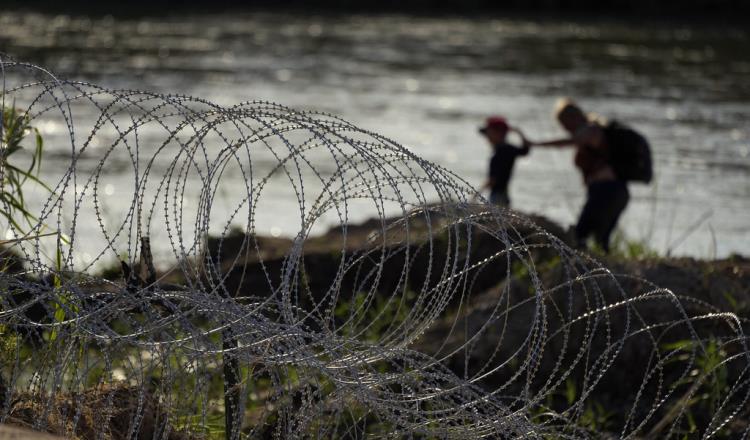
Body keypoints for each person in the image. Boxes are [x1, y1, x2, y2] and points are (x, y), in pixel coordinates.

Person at [532, 98, 632, 253]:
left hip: (607, 191)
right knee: (599, 237)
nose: (565, 129)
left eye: (564, 124)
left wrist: (535, 144)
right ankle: (601, 270)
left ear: (572, 118)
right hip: (612, 192)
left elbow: (568, 142)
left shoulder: (591, 130)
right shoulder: (593, 132)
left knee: (581, 234)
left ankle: (589, 271)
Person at [478, 116, 531, 207]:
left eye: (489, 133)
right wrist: (519, 132)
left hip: (497, 196)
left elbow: (492, 180)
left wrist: (477, 193)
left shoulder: (499, 152)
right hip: (504, 194)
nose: (487, 137)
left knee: (494, 218)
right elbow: (525, 150)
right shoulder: (509, 149)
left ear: (499, 133)